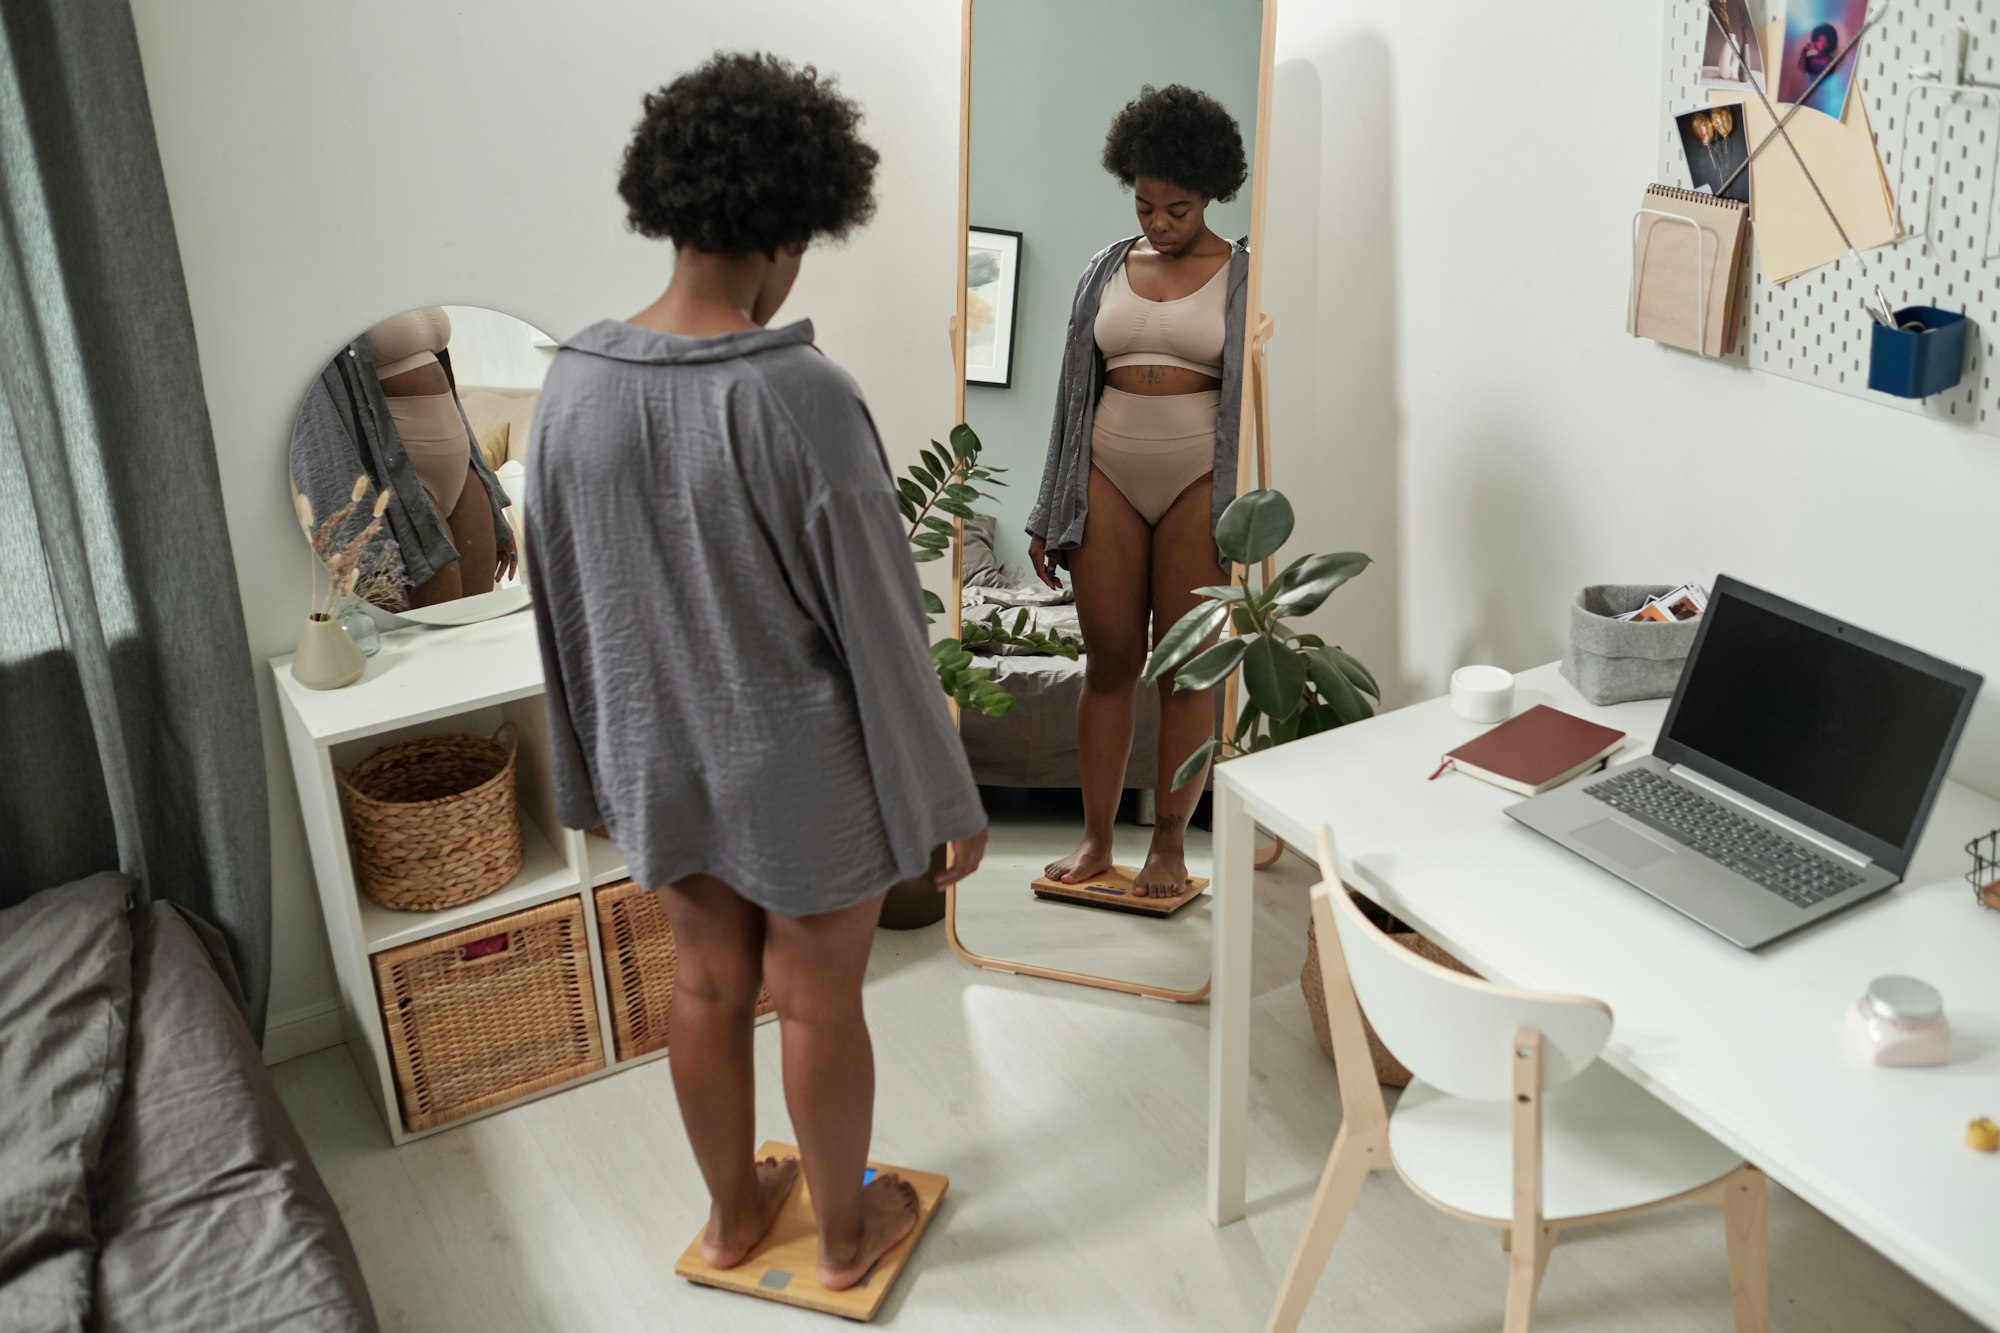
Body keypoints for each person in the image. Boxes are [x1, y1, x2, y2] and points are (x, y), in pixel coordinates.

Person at [527, 52, 988, 1291]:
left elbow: (564, 611)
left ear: (669, 203)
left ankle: (732, 1222)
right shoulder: (796, 393)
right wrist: (944, 799)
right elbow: (883, 630)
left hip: (652, 753)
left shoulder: (566, 384)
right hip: (795, 766)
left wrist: (590, 776)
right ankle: (842, 1242)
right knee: (820, 998)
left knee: (704, 981)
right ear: (790, 229)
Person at [1025, 84, 1250, 897]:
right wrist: (1052, 508)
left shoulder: (1247, 273)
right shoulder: (1102, 270)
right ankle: (1093, 841)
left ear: (1213, 192)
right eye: (1145, 204)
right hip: (1106, 471)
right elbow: (1069, 395)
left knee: (1188, 667)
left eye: (1178, 208)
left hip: (1201, 478)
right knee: (1110, 658)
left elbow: (1259, 399)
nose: (1158, 223)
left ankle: (1168, 844)